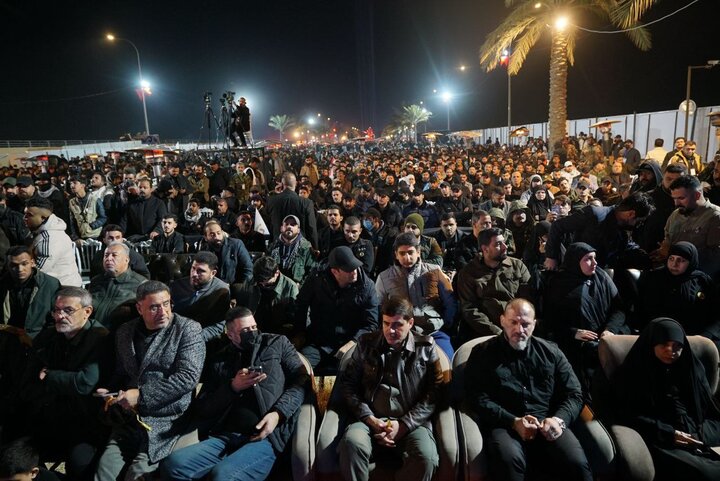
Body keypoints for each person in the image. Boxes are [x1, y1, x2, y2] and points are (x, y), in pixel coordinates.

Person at [160, 307, 307, 481]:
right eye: (245, 331)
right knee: (173, 465)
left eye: (254, 327)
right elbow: (204, 407)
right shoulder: (220, 360)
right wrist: (232, 387)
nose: (252, 333)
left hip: (266, 437)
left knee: (223, 476)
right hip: (225, 435)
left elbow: (302, 380)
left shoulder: (276, 343)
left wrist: (278, 414)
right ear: (230, 335)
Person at [464, 299, 592, 481]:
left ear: (534, 324)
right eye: (513, 322)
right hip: (506, 424)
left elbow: (575, 393)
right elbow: (477, 398)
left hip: (548, 422)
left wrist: (559, 420)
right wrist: (513, 421)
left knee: (576, 463)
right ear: (502, 321)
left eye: (525, 324)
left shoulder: (551, 352)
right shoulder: (482, 353)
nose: (519, 330)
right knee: (509, 461)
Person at [94, 281, 205, 481]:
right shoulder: (125, 332)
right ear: (139, 308)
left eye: (166, 304)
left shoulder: (188, 329)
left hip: (168, 419)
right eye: (154, 307)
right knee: (104, 472)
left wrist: (142, 395)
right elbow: (123, 372)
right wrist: (111, 392)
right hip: (130, 419)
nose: (163, 311)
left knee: (138, 475)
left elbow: (188, 378)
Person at [7, 287, 109, 480]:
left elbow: (85, 383)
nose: (60, 316)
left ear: (87, 312)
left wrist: (50, 376)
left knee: (81, 466)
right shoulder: (48, 337)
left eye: (68, 310)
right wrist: (61, 381)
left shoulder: (100, 337)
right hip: (47, 415)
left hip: (83, 423)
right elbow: (29, 380)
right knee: (12, 455)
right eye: (56, 310)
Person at [337, 297, 442, 481]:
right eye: (386, 323)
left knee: (427, 457)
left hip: (411, 421)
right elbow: (348, 386)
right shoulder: (365, 343)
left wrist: (404, 425)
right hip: (370, 418)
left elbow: (434, 394)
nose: (390, 330)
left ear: (410, 323)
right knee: (352, 443)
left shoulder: (426, 347)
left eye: (397, 325)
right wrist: (369, 418)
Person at [612, 319, 720, 480]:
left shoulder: (691, 369)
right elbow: (626, 415)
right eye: (664, 344)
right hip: (661, 437)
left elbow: (708, 410)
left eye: (677, 346)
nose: (671, 351)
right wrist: (668, 433)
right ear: (652, 344)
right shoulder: (634, 373)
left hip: (698, 433)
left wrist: (698, 434)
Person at [542, 242, 630, 397]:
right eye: (588, 259)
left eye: (595, 258)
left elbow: (619, 309)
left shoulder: (601, 277)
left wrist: (610, 330)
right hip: (576, 342)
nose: (595, 263)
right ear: (575, 261)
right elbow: (550, 320)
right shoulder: (558, 284)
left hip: (606, 336)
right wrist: (573, 332)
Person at [295, 246, 379, 372]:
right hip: (319, 341)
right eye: (349, 269)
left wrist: (353, 342)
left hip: (350, 343)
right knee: (301, 371)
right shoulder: (316, 279)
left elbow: (371, 324)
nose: (355, 271)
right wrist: (300, 332)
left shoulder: (367, 287)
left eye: (355, 266)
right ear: (335, 272)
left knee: (344, 375)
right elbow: (301, 304)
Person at [375, 233, 456, 358]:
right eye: (402, 253)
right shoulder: (384, 278)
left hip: (434, 331)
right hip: (400, 334)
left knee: (447, 362)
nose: (407, 257)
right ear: (396, 254)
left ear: (418, 252)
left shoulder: (434, 271)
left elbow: (449, 302)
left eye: (410, 252)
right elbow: (380, 309)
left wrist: (445, 325)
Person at [636, 242, 719, 346]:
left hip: (693, 338)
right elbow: (640, 309)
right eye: (671, 259)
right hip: (657, 336)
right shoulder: (652, 278)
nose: (674, 264)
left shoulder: (702, 281)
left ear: (691, 262)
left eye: (681, 260)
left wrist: (706, 336)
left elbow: (715, 313)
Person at [544, 192, 653, 270]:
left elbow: (627, 245)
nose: (637, 225)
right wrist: (551, 257)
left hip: (599, 275)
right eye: (638, 221)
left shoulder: (623, 228)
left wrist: (648, 257)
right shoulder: (594, 214)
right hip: (576, 272)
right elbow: (558, 226)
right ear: (631, 214)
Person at [457, 228, 531, 341]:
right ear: (485, 249)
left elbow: (528, 299)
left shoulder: (517, 266)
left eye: (504, 242)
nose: (505, 247)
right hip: (487, 333)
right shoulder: (468, 273)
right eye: (498, 244)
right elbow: (470, 309)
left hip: (520, 327)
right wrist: (497, 332)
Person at [657, 175, 720, 279]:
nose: (676, 203)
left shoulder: (715, 217)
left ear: (697, 195)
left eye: (681, 198)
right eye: (674, 198)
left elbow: (715, 259)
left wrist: (678, 255)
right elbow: (667, 241)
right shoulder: (675, 215)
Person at [231, 256, 299, 336]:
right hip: (254, 325)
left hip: (277, 329)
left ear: (276, 273)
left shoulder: (290, 287)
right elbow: (242, 305)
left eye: (266, 281)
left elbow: (294, 316)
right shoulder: (251, 280)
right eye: (259, 282)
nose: (262, 284)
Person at [23, 196, 82, 287]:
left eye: (29, 215)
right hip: (54, 285)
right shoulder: (40, 231)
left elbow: (39, 271)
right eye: (25, 214)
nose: (24, 218)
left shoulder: (51, 238)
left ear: (43, 218)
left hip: (65, 289)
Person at [87, 241, 147, 329]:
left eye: (114, 255)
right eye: (106, 255)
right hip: (92, 332)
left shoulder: (140, 284)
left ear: (126, 259)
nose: (109, 258)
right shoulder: (96, 281)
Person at [170, 251, 230, 328]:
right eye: (193, 268)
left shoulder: (221, 290)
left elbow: (218, 325)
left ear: (213, 273)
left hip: (202, 333)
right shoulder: (177, 286)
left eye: (201, 271)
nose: (194, 274)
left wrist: (196, 337)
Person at [265, 172, 318, 249]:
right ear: (296, 184)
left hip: (277, 247)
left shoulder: (271, 201)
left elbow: (268, 226)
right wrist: (315, 248)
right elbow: (311, 228)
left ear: (282, 184)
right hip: (300, 247)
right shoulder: (306, 203)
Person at [198, 220, 253, 285]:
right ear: (205, 237)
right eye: (212, 235)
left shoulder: (236, 244)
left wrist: (240, 288)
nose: (217, 237)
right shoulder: (204, 251)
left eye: (218, 233)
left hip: (235, 287)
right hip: (213, 288)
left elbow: (248, 269)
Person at [267, 214, 317, 284]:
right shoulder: (273, 246)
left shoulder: (306, 247)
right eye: (286, 224)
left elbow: (312, 272)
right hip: (274, 286)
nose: (289, 226)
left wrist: (301, 285)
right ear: (281, 228)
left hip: (297, 289)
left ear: (298, 230)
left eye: (293, 225)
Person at [68, 175, 107, 243]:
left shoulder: (95, 199)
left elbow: (103, 218)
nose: (72, 186)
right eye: (70, 183)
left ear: (82, 185)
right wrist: (75, 237)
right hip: (81, 238)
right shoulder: (72, 202)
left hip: (96, 236)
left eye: (75, 183)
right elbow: (72, 222)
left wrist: (91, 226)